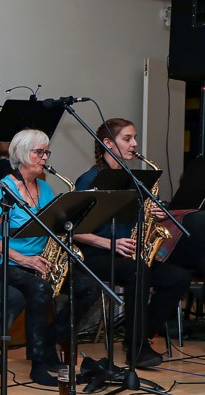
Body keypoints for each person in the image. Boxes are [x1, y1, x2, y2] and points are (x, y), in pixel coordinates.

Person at [0, 129, 96, 386]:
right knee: (39, 289)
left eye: (46, 152)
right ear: (21, 154)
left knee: (88, 287)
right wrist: (24, 259)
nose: (45, 158)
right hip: (4, 263)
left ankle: (49, 340)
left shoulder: (45, 188)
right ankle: (39, 363)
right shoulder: (3, 189)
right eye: (39, 152)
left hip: (39, 260)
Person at [74, 118, 191, 367]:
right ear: (107, 143)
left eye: (134, 138)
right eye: (127, 138)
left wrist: (155, 215)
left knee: (178, 278)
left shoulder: (135, 180)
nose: (134, 144)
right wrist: (111, 244)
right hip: (95, 255)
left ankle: (139, 333)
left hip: (127, 253)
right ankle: (137, 348)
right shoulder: (89, 180)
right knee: (138, 271)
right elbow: (74, 231)